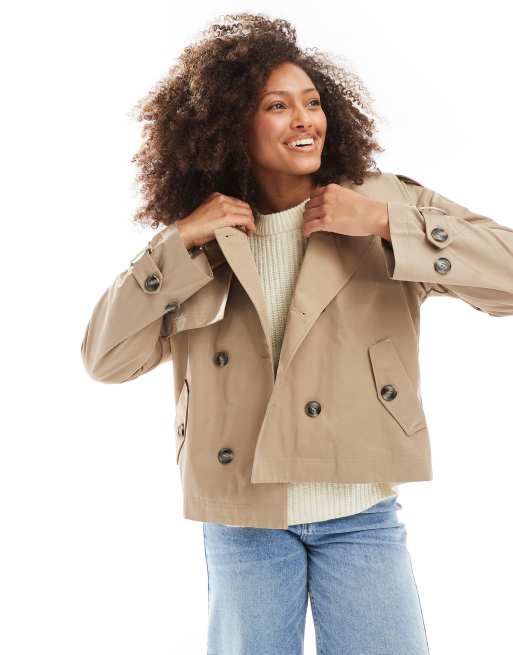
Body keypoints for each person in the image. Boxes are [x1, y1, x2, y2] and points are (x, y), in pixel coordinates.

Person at [80, 13, 513, 655]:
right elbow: (104, 359)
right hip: (242, 518)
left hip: (360, 510)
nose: (304, 120)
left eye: (312, 102)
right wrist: (175, 244)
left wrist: (386, 223)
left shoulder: (381, 204)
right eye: (277, 106)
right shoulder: (203, 238)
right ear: (230, 125)